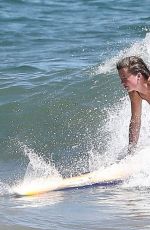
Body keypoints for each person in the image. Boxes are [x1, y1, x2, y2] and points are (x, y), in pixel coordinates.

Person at [116, 56, 150, 153]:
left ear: (139, 76)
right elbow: (135, 120)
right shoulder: (134, 92)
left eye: (124, 78)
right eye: (120, 78)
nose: (121, 82)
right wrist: (131, 149)